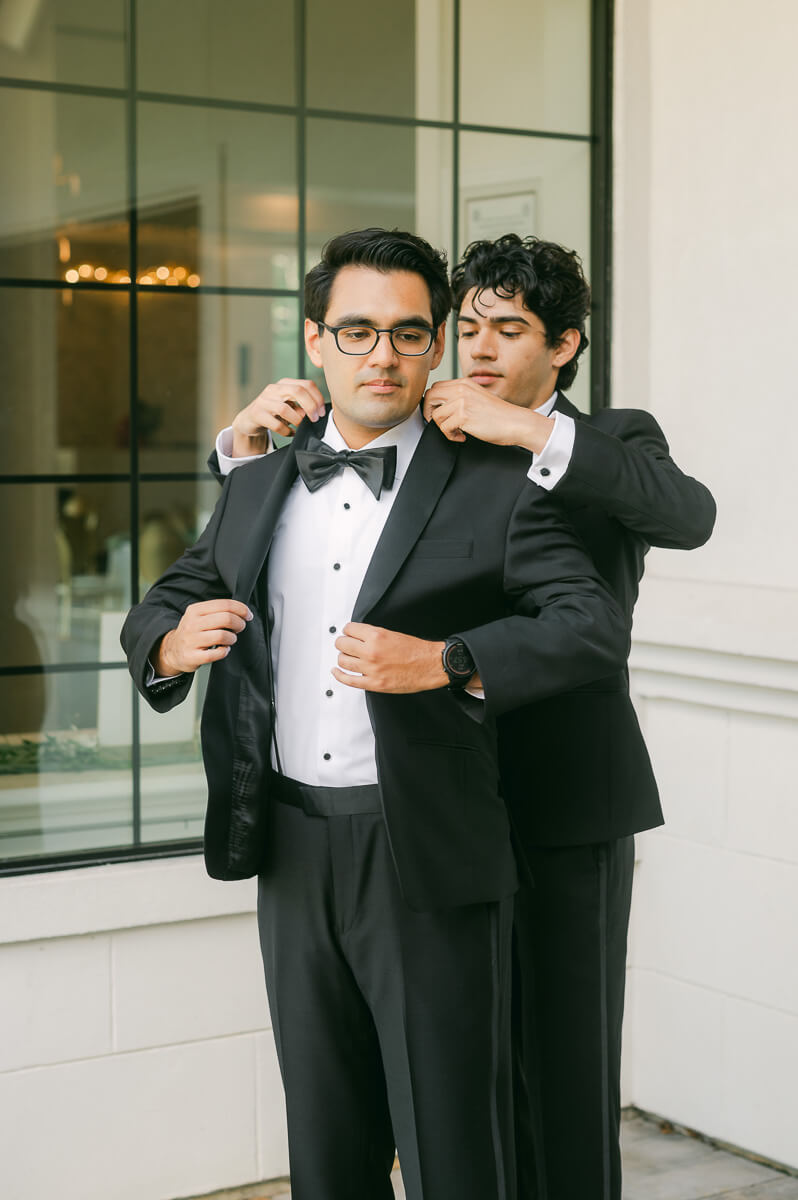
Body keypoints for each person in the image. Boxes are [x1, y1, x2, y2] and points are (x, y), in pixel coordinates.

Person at [121, 228, 628, 1200]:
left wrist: (448, 660)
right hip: (290, 849)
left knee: (453, 1151)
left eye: (406, 334)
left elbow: (592, 625)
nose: (381, 356)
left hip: (427, 852)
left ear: (436, 346)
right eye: (357, 332)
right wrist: (166, 644)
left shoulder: (499, 481)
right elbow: (166, 598)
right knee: (325, 1140)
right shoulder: (259, 479)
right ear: (314, 340)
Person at [226, 233, 716, 1200]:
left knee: (563, 1067)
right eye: (473, 328)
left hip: (558, 798)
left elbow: (687, 517)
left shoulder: (611, 439)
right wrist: (234, 451)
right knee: (455, 1082)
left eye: (513, 330)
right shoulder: (434, 438)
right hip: (434, 802)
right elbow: (321, 523)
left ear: (566, 345)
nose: (482, 350)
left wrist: (526, 431)